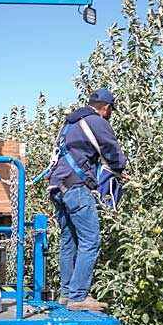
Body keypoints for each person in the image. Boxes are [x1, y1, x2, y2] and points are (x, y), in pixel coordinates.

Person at [48, 88, 127, 311]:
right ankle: (78, 297)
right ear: (107, 108)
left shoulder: (71, 123)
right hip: (75, 187)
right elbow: (111, 149)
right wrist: (119, 168)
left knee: (69, 240)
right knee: (91, 241)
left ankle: (66, 293)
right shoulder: (97, 121)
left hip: (57, 185)